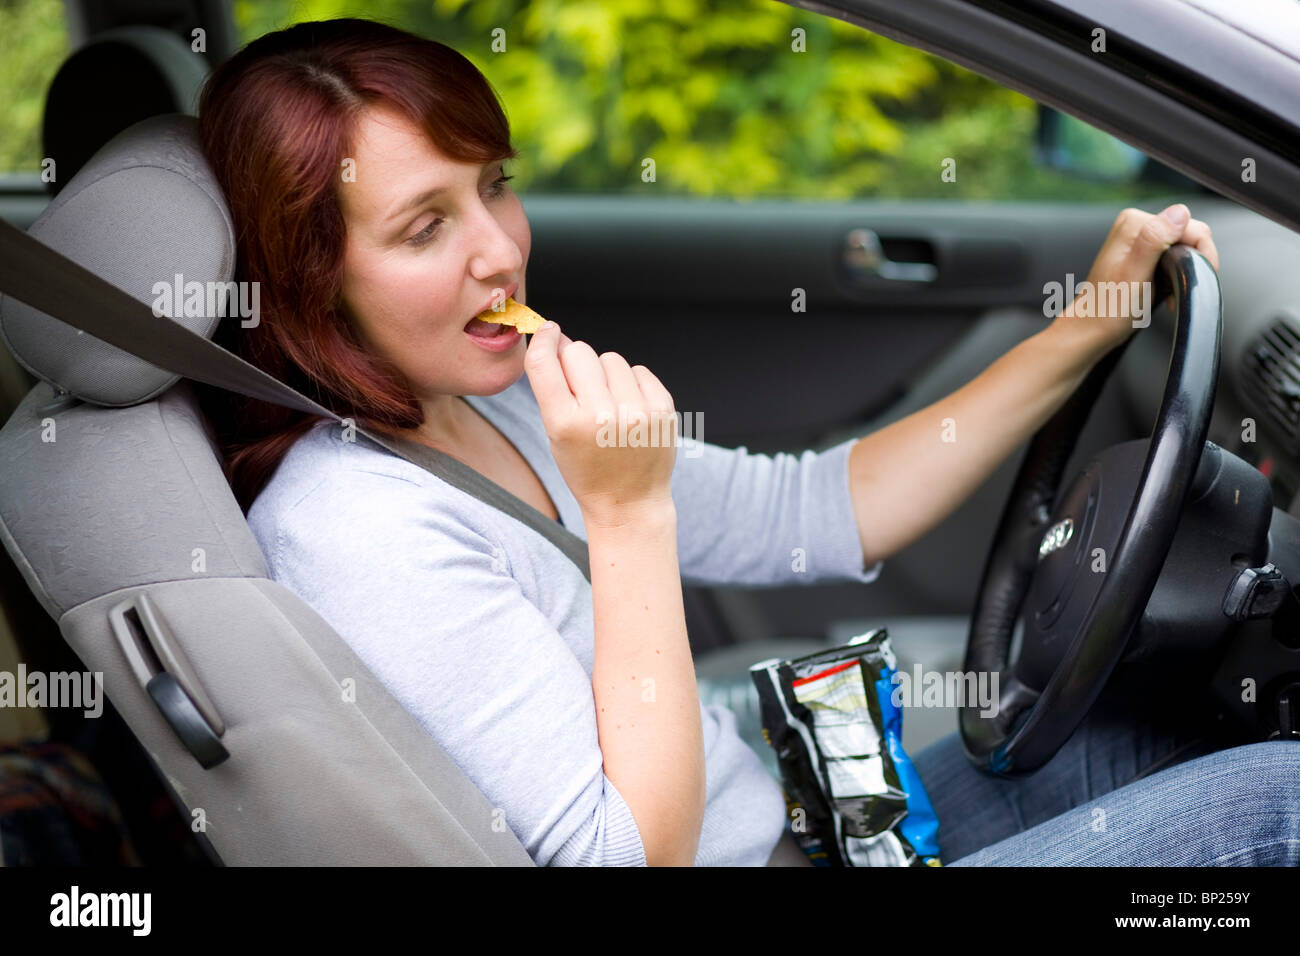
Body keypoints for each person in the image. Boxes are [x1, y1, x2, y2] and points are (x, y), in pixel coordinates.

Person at [193, 18, 1300, 866]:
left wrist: (1083, 329)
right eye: (425, 226)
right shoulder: (355, 528)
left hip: (798, 831)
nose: (500, 251)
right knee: (1279, 807)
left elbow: (816, 508)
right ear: (312, 279)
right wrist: (630, 514)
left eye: (495, 186)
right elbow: (628, 858)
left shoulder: (491, 399)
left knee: (1167, 735)